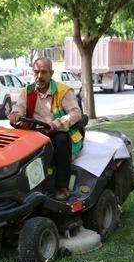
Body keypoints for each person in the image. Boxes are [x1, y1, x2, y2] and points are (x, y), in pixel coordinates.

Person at [8, 57, 83, 201]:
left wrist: (56, 124)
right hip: (35, 133)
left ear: (51, 73)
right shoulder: (27, 91)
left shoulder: (63, 91)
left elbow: (76, 113)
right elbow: (19, 108)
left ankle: (62, 186)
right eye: (36, 72)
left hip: (58, 131)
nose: (39, 76)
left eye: (43, 72)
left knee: (60, 141)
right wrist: (15, 114)